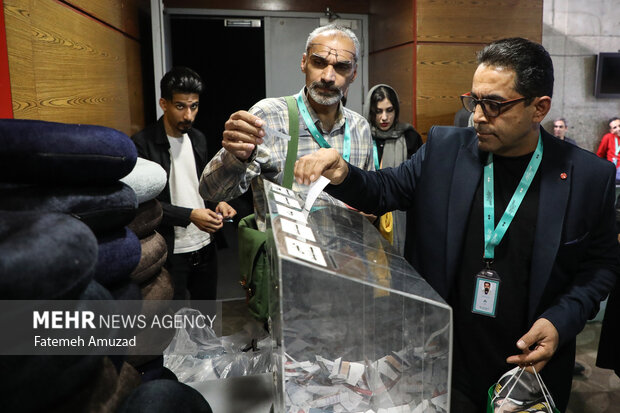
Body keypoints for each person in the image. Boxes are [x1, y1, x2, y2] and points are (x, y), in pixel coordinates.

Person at [293, 37, 619, 412]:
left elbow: (601, 265)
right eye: (475, 100)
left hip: (530, 368)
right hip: (441, 361)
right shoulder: (446, 149)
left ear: (538, 108)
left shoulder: (587, 176)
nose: (478, 116)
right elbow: (385, 190)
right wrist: (343, 172)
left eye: (495, 105)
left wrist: (561, 322)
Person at [199, 24, 374, 231]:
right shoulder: (269, 116)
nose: (328, 76)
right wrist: (236, 157)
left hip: (345, 257)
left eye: (341, 66)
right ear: (304, 62)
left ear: (354, 74)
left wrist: (368, 208)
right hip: (288, 259)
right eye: (319, 62)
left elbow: (369, 197)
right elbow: (211, 192)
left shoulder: (360, 128)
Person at [131, 66, 236, 301]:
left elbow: (203, 185)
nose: (188, 115)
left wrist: (219, 202)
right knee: (172, 324)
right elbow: (147, 205)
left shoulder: (198, 138)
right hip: (170, 251)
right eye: (180, 106)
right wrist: (190, 215)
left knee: (207, 319)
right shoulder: (141, 145)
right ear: (163, 103)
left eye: (194, 106)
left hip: (206, 245)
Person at [364, 84, 422, 254]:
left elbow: (419, 183)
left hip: (402, 216)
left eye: (389, 110)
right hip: (369, 215)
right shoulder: (363, 136)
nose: (384, 117)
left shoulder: (410, 137)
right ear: (370, 112)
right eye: (378, 111)